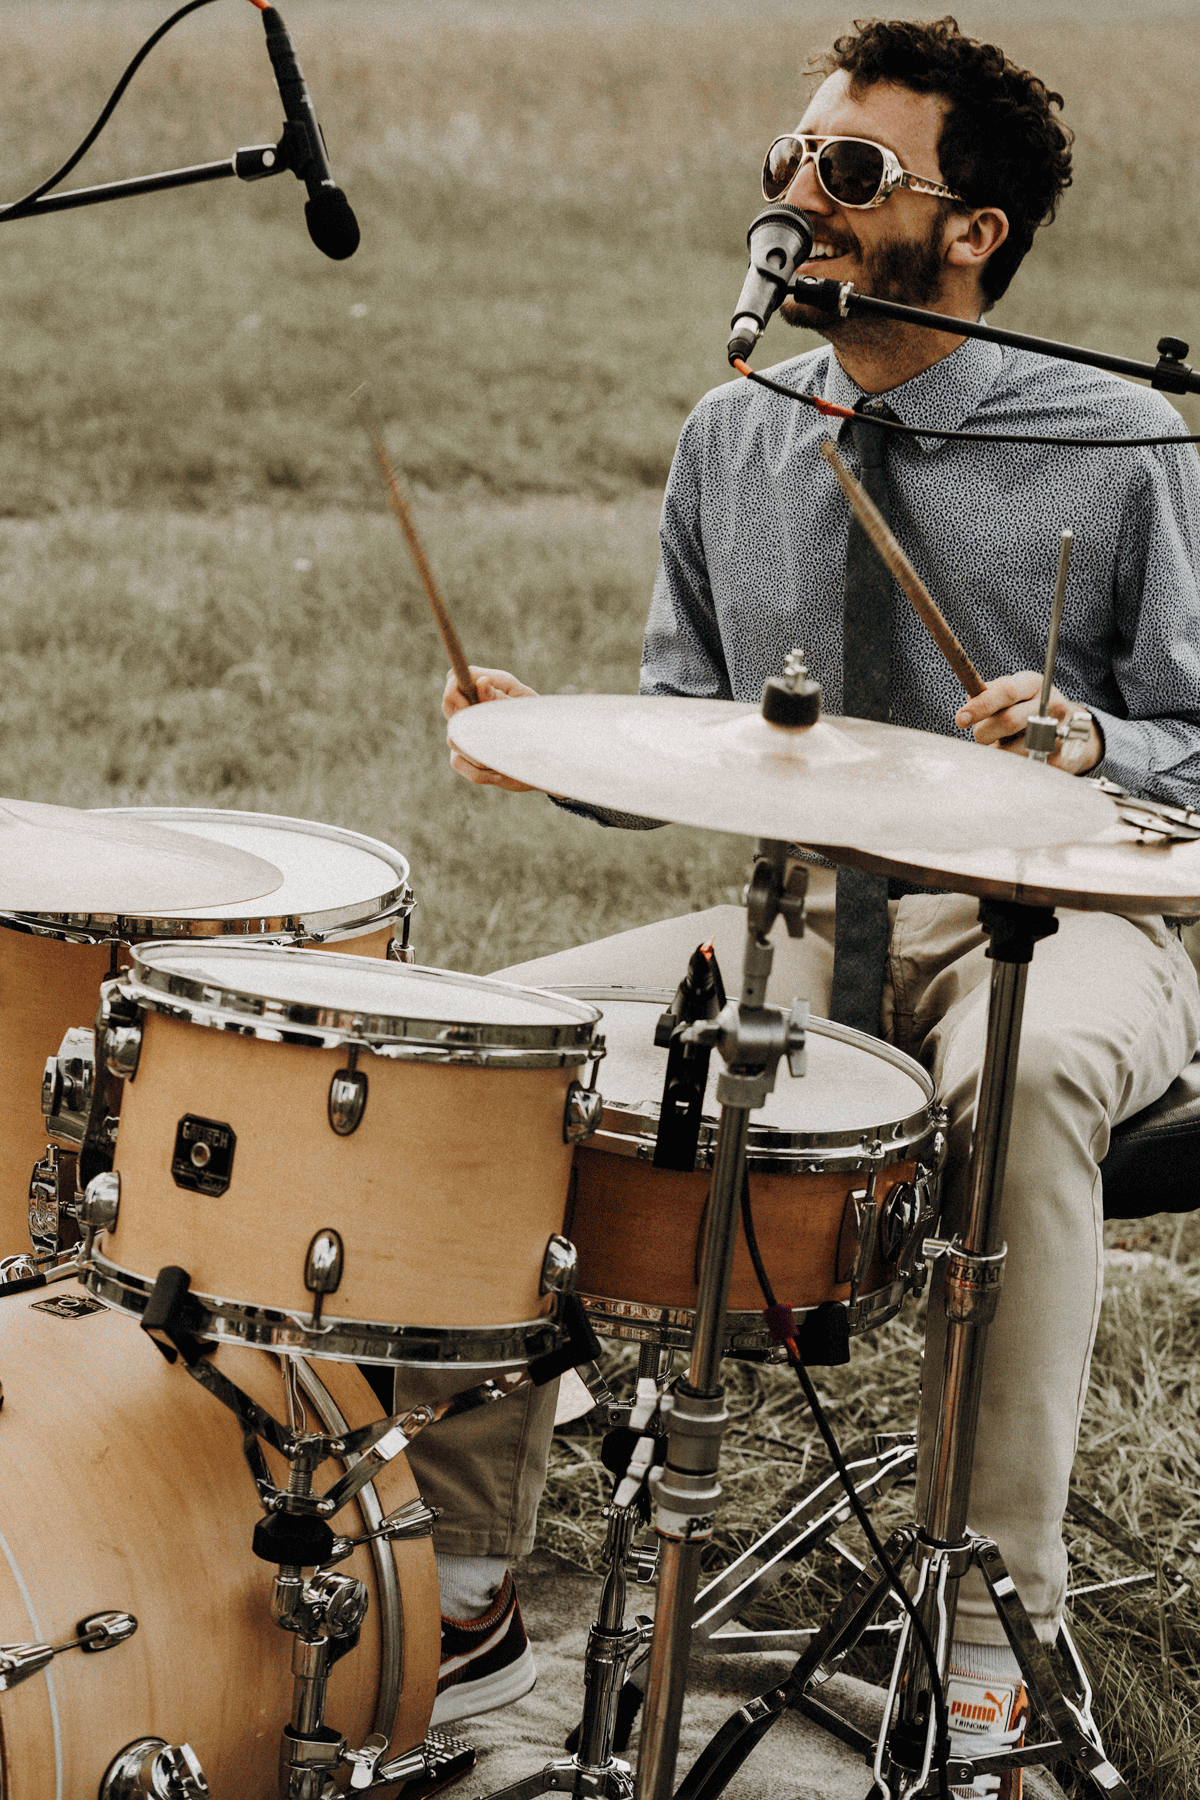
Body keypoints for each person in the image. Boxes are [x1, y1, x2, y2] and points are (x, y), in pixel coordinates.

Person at [432, 16, 1200, 1794]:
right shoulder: (738, 430)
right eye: (793, 160)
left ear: (973, 231)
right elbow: (693, 729)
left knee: (1025, 1080)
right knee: (491, 1049)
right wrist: (546, 741)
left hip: (1065, 921)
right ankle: (467, 1578)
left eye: (851, 171)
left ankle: (992, 1645)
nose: (799, 196)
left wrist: (1094, 740)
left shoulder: (1126, 442)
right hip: (801, 918)